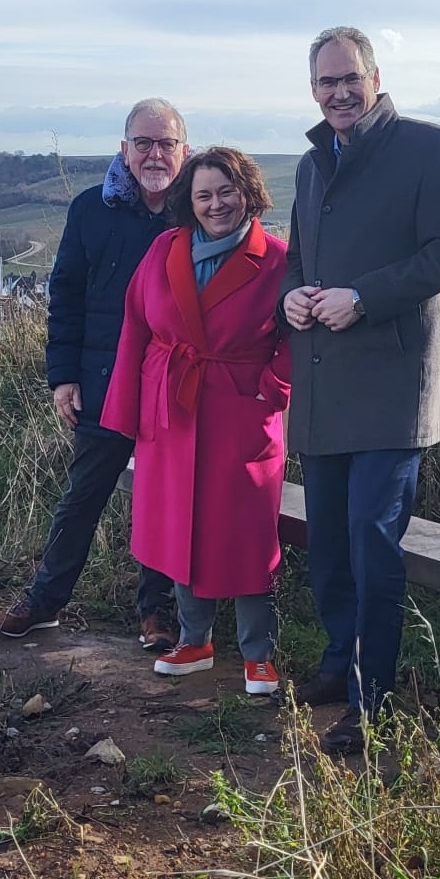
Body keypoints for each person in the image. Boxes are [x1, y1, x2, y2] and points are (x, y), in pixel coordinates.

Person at [280, 26, 440, 753]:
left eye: (347, 79)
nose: (337, 92)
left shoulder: (429, 146)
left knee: (371, 541)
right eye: (324, 82)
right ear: (312, 89)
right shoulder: (308, 164)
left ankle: (373, 699)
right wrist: (292, 298)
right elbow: (297, 256)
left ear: (374, 76)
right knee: (328, 543)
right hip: (324, 386)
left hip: (392, 388)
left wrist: (363, 295)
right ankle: (338, 661)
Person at [0, 99, 190, 649]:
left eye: (165, 143)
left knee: (161, 496)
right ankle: (46, 600)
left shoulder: (197, 212)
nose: (154, 154)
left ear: (184, 151)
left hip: (174, 387)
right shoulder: (90, 210)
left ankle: (158, 613)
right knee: (83, 496)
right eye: (143, 143)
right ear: (124, 150)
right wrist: (63, 376)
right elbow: (66, 297)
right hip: (104, 380)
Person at [101, 148, 290, 695]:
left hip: (240, 413)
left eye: (226, 192)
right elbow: (136, 326)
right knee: (179, 525)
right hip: (172, 410)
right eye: (204, 194)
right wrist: (129, 410)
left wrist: (269, 392)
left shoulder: (277, 259)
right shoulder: (164, 248)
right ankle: (195, 639)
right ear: (189, 199)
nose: (215, 204)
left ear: (247, 193)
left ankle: (258, 653)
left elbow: (295, 338)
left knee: (247, 533)